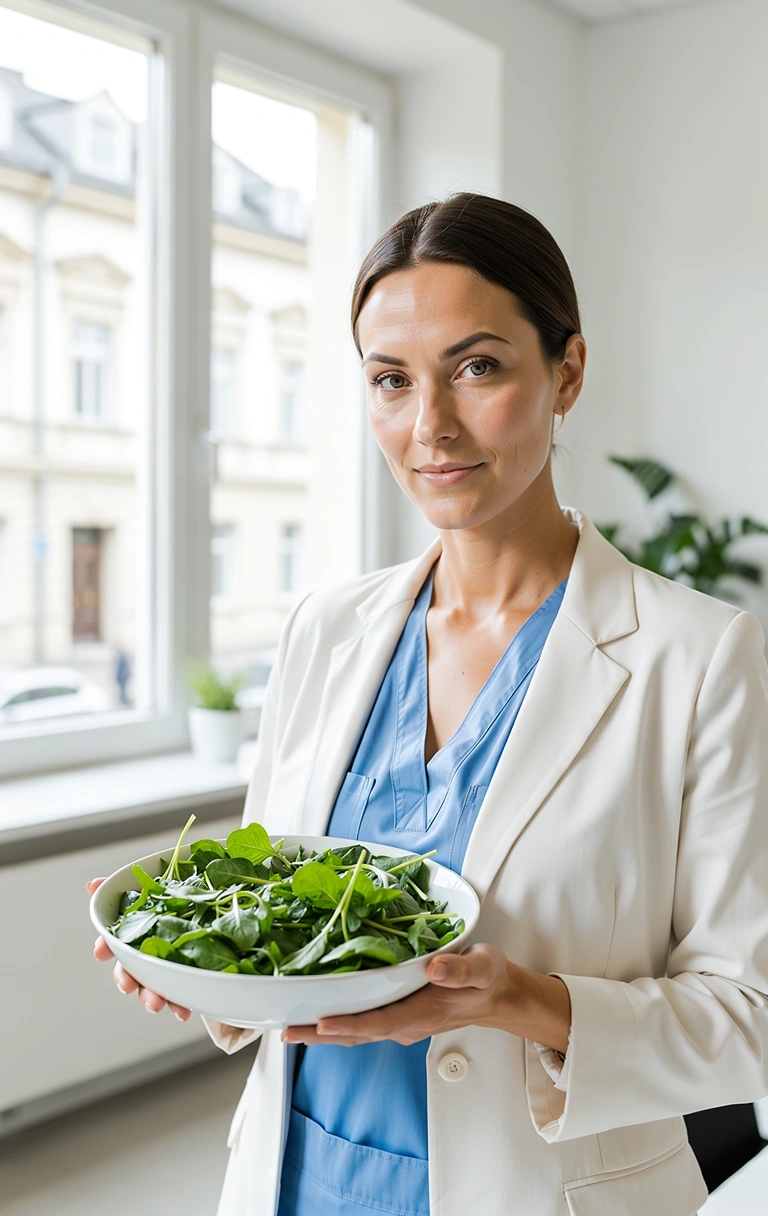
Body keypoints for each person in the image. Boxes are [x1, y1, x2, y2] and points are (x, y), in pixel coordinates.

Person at [88, 194, 768, 1216]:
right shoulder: (326, 628)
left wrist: (523, 1001)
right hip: (298, 1179)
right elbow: (282, 919)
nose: (429, 425)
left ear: (566, 372)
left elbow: (750, 1015)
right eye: (391, 381)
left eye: (478, 367)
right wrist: (202, 971)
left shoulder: (704, 657)